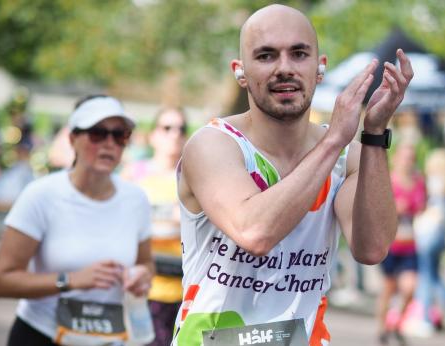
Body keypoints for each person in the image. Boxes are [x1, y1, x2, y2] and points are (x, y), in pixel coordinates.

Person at [172, 4, 413, 345]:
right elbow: (254, 232)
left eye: (299, 54)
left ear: (320, 67)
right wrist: (332, 142)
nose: (284, 68)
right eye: (266, 56)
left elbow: (371, 249)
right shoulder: (214, 145)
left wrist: (374, 133)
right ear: (240, 71)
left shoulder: (348, 155)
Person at [0, 94, 154, 346]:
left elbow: (145, 262)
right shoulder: (41, 195)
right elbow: (1, 280)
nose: (109, 143)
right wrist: (70, 280)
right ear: (72, 139)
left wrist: (142, 277)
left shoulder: (136, 199)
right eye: (97, 133)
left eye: (120, 134)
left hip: (108, 338)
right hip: (42, 335)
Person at [122, 107, 187, 345]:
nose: (174, 134)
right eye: (167, 128)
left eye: (181, 129)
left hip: (183, 287)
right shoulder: (134, 174)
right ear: (153, 135)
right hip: (144, 286)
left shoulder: (191, 176)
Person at [407, 148, 445, 337]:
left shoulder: (436, 183)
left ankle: (424, 318)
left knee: (425, 277)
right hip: (440, 236)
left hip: (430, 236)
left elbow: (437, 212)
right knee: (434, 277)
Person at [377, 142, 425, 345]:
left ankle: (396, 324)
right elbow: (376, 208)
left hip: (410, 246)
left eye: (410, 158)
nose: (407, 162)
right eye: (404, 157)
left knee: (410, 288)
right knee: (389, 289)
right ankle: (382, 329)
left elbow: (422, 206)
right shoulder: (388, 181)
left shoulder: (419, 182)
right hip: (390, 245)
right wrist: (395, 209)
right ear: (396, 159)